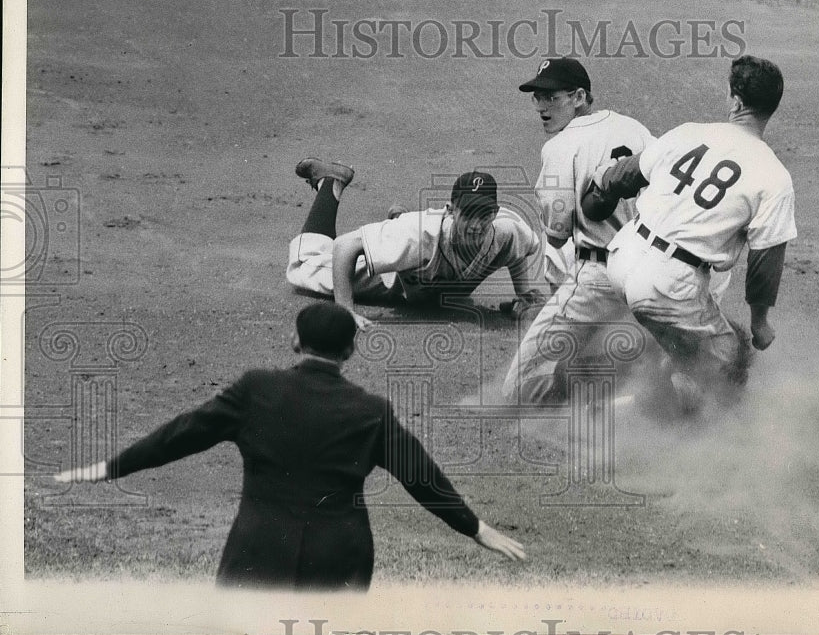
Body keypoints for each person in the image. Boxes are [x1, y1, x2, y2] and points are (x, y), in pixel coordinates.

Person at [54, 302, 526, 590]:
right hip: (340, 556)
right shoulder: (370, 410)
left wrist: (110, 467)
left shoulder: (255, 390)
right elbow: (422, 476)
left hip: (260, 549)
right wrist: (474, 527)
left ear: (295, 341)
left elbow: (180, 435)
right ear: (349, 352)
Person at [583, 55, 796, 407]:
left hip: (622, 258)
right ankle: (714, 440)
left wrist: (600, 191)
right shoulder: (774, 176)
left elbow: (626, 175)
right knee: (732, 356)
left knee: (684, 351)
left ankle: (616, 409)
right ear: (771, 107)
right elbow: (765, 263)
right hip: (669, 283)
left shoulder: (689, 132)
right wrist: (760, 322)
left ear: (735, 100)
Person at [499, 57, 656, 404]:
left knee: (515, 392)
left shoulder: (559, 147)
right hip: (650, 272)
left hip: (598, 277)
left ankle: (595, 410)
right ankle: (636, 398)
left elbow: (556, 234)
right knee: (639, 354)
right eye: (536, 97)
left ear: (579, 97)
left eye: (551, 97)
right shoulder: (638, 129)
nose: (541, 107)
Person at [286, 162, 547, 330]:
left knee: (412, 245)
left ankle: (397, 220)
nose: (477, 224)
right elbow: (345, 246)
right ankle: (331, 181)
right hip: (388, 279)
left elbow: (516, 249)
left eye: (485, 214)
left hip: (419, 265)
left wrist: (522, 295)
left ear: (496, 212)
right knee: (304, 264)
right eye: (469, 214)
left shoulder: (507, 228)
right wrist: (345, 310)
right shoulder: (422, 233)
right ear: (451, 210)